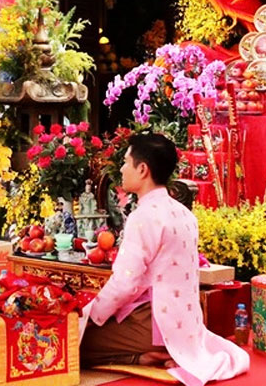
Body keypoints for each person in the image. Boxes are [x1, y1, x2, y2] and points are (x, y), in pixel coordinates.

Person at [81, 133, 249, 386]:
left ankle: (140, 356)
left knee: (71, 342)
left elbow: (126, 284)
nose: (123, 169)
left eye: (126, 162)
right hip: (186, 322)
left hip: (152, 323)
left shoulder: (144, 216)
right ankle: (148, 353)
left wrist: (91, 314)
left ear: (142, 169)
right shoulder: (184, 214)